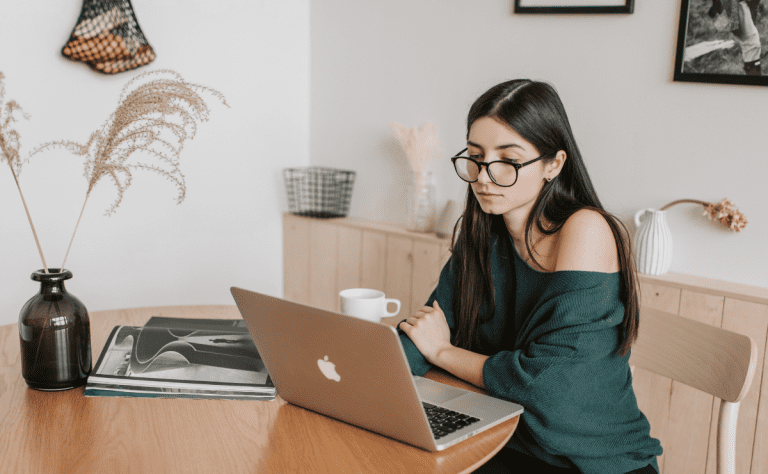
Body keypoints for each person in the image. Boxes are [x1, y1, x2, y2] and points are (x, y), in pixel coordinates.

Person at [396, 80, 662, 473]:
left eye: (508, 159)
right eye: (475, 157)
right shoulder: (479, 234)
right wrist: (368, 375)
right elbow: (427, 331)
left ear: (553, 164)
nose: (484, 176)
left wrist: (444, 353)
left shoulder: (585, 229)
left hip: (589, 461)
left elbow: (545, 384)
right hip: (503, 440)